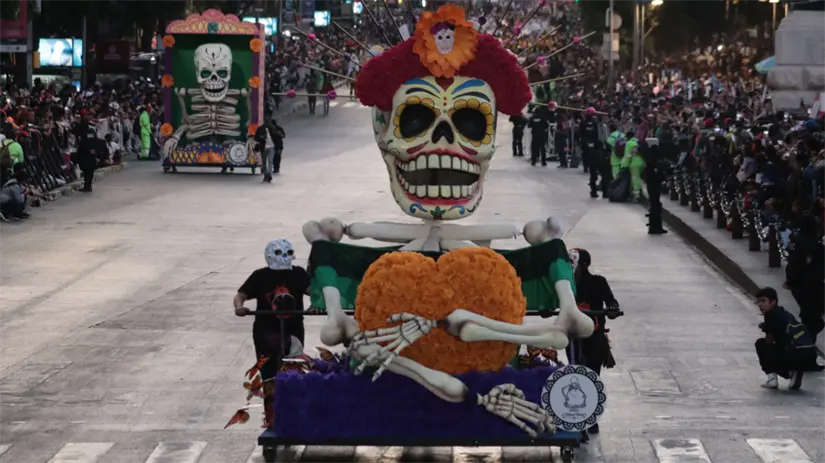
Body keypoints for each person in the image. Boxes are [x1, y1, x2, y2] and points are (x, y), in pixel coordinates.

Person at [233, 239, 311, 426]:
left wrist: (318, 303)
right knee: (269, 377)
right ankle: (272, 421)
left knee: (293, 372)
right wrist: (239, 307)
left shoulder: (299, 274)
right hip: (265, 333)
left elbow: (313, 291)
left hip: (293, 332)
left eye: (288, 252)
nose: (283, 257)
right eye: (278, 253)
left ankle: (291, 418)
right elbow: (241, 295)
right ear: (269, 255)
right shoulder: (260, 276)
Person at [567, 248, 620, 439]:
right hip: (573, 338)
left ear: (584, 265)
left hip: (595, 337)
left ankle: (590, 416)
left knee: (592, 375)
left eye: (574, 265)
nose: (571, 269)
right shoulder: (566, 285)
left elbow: (611, 302)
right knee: (576, 374)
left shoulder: (598, 282)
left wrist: (612, 308)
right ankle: (578, 419)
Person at [755, 287, 816, 390]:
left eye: (763, 301)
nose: (760, 304)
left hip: (792, 355)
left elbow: (769, 342)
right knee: (787, 348)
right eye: (758, 301)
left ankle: (772, 379)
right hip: (809, 358)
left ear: (773, 301)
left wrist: (767, 329)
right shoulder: (784, 313)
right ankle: (796, 371)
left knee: (761, 344)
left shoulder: (770, 315)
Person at [254, 118, 286, 182]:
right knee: (264, 162)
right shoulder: (260, 129)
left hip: (271, 147)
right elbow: (256, 137)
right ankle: (266, 174)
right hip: (263, 147)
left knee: (270, 161)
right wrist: (261, 137)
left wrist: (279, 147)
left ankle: (269, 174)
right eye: (266, 122)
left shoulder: (273, 129)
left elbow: (278, 138)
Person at [580, 108, 602, 197]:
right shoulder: (593, 123)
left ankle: (593, 190)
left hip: (589, 147)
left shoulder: (585, 123)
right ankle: (594, 190)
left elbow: (580, 134)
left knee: (592, 170)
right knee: (594, 171)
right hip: (592, 148)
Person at [620, 130, 644, 201]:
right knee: (638, 178)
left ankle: (637, 194)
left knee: (635, 178)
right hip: (641, 162)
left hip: (634, 163)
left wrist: (624, 165)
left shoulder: (629, 143)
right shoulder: (638, 141)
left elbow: (627, 155)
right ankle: (640, 191)